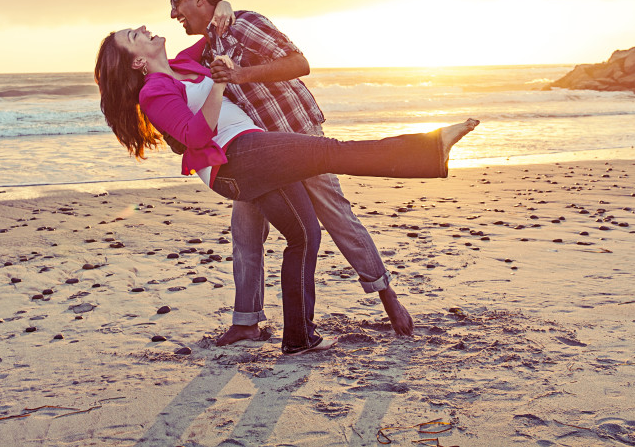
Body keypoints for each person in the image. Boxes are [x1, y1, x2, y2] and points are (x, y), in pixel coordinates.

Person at [94, 26, 478, 354]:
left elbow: (214, 30)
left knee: (305, 235)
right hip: (235, 160)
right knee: (330, 152)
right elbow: (194, 135)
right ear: (136, 62)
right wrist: (219, 85)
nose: (143, 28)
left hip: (251, 153)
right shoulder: (154, 90)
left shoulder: (181, 64)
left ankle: (298, 338)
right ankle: (430, 149)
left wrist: (224, 6)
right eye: (134, 35)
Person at [168, 0, 418, 346]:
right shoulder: (204, 51)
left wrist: (240, 73)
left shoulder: (247, 23)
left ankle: (386, 295)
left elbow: (299, 63)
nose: (174, 14)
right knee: (245, 233)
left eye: (177, 4)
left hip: (300, 136)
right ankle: (246, 322)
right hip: (260, 155)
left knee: (337, 218)